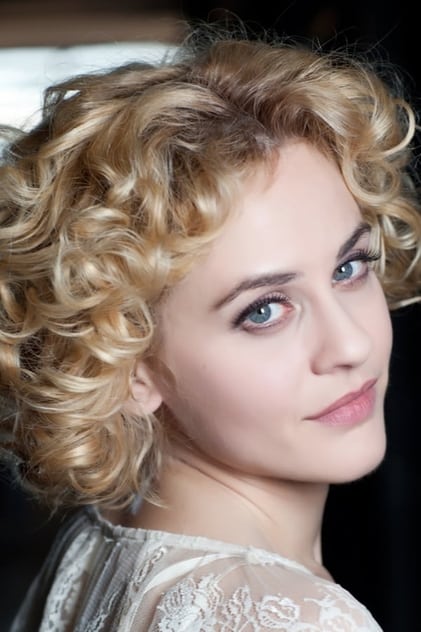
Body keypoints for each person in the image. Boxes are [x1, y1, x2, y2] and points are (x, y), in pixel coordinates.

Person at [1, 21, 420, 632]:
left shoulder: (99, 543)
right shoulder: (297, 619)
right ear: (126, 363)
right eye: (264, 310)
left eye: (349, 268)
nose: (351, 345)